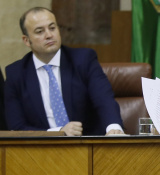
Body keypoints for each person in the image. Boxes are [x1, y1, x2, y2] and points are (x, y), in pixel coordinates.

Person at [4, 7, 124, 136]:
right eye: (40, 31)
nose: (49, 35)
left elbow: (104, 99)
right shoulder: (15, 74)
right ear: (27, 40)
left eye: (52, 28)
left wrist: (113, 128)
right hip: (41, 149)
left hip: (88, 146)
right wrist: (58, 132)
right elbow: (17, 127)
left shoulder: (84, 60)